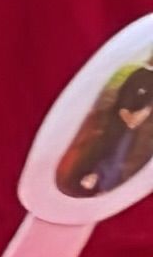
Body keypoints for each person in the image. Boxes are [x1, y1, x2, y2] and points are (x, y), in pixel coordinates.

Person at [58, 67, 153, 199]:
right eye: (89, 183)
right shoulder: (141, 76)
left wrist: (141, 113)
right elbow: (124, 108)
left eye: (86, 180)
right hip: (122, 131)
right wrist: (132, 118)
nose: (89, 179)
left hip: (122, 131)